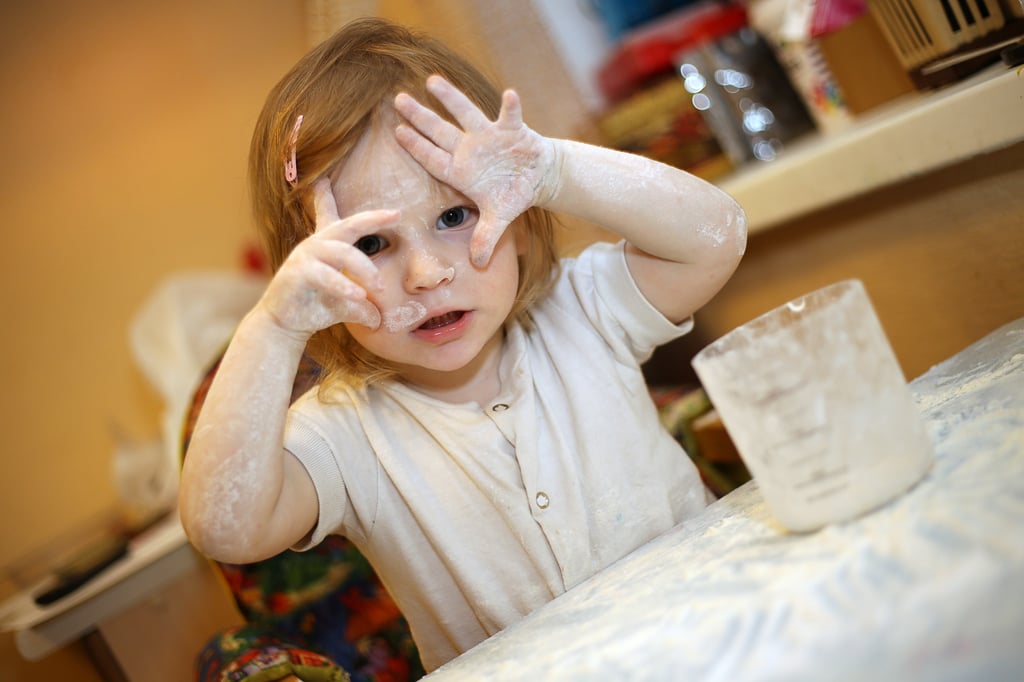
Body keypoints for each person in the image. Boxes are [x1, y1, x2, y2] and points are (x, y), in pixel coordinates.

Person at [180, 16, 746, 673]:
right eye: (371, 245)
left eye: (455, 216)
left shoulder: (581, 312)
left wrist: (553, 168)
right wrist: (275, 327)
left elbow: (716, 235)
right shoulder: (343, 435)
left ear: (522, 223)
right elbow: (225, 528)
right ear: (315, 280)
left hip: (720, 638)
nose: (426, 274)